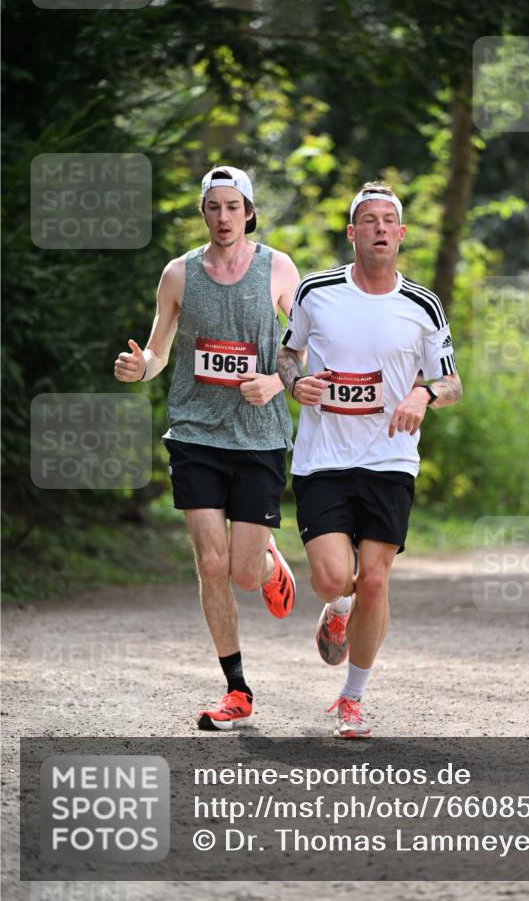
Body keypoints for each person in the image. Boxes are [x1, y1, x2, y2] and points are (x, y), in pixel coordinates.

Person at [114, 165, 301, 729]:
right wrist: (138, 368)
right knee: (210, 562)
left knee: (242, 571)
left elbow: (304, 346)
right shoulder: (178, 275)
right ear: (204, 213)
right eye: (213, 207)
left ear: (248, 212)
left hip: (260, 436)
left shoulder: (278, 268)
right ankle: (236, 688)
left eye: (232, 207)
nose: (223, 217)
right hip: (196, 433)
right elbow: (157, 352)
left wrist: (277, 382)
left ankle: (268, 566)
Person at [277, 182, 462, 737]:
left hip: (390, 459)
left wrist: (423, 394)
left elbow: (451, 381)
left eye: (389, 221)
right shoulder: (317, 292)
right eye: (369, 221)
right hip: (323, 459)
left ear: (401, 235)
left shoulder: (422, 305)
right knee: (335, 579)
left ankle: (353, 697)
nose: (380, 229)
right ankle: (338, 609)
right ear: (352, 232)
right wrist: (298, 383)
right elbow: (288, 356)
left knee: (375, 581)